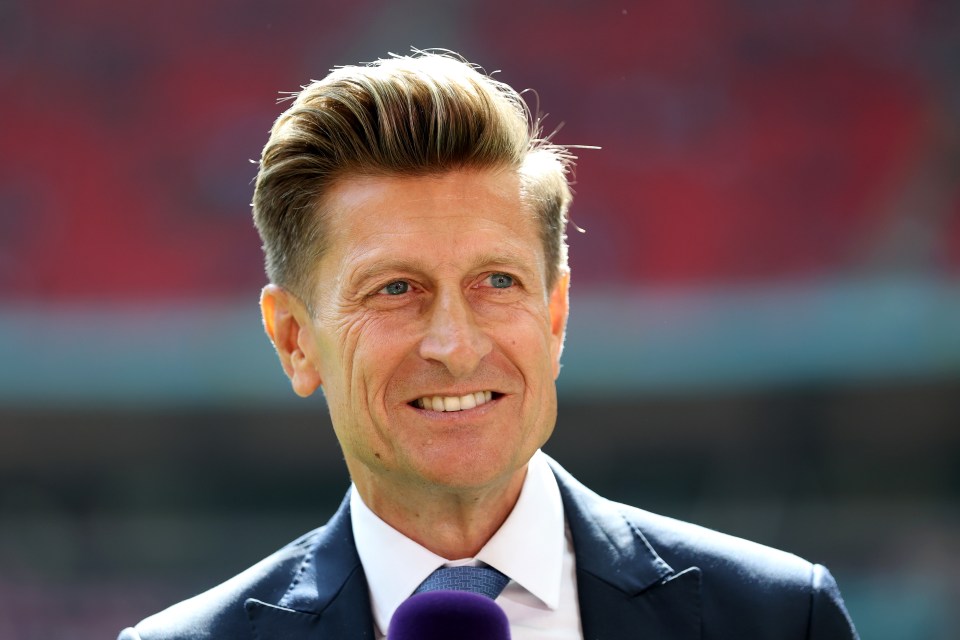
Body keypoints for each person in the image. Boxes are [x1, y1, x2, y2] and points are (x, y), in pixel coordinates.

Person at [119, 50, 859, 639]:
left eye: (497, 282)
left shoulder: (778, 619)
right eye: (395, 289)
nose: (455, 344)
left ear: (556, 313)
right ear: (294, 340)